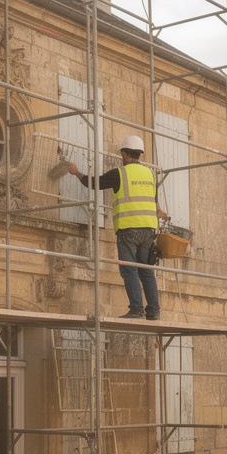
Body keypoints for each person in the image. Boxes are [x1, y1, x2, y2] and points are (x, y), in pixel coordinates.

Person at [69, 135, 167, 320]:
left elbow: (93, 183)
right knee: (146, 270)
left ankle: (137, 309)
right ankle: (153, 311)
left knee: (129, 269)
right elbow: (154, 202)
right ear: (139, 153)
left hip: (128, 229)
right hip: (148, 231)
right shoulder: (150, 175)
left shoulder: (120, 173)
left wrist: (77, 172)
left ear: (125, 153)